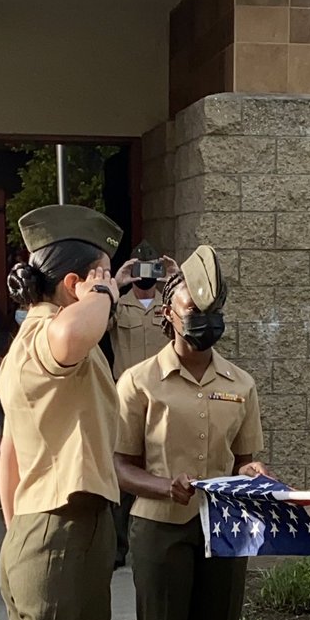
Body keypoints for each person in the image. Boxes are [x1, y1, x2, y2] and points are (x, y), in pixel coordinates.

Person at [115, 245, 267, 620]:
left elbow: (247, 456)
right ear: (168, 315)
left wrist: (253, 472)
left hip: (221, 533)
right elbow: (118, 465)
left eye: (214, 314)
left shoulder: (240, 384)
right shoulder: (138, 383)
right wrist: (163, 485)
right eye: (194, 313)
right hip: (160, 529)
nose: (205, 323)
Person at [0, 204, 123, 620]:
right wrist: (105, 295)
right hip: (61, 529)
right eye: (102, 275)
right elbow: (75, 336)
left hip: (43, 528)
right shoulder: (53, 336)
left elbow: (11, 454)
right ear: (75, 284)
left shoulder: (26, 342)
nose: (111, 286)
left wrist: (20, 533)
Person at [110, 241, 168, 568]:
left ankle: (151, 540)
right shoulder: (119, 305)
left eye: (152, 266)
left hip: (162, 396)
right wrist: (115, 287)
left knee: (157, 467)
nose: (145, 274)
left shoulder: (169, 303)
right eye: (140, 267)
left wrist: (177, 279)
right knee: (123, 468)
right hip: (126, 396)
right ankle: (118, 547)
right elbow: (97, 328)